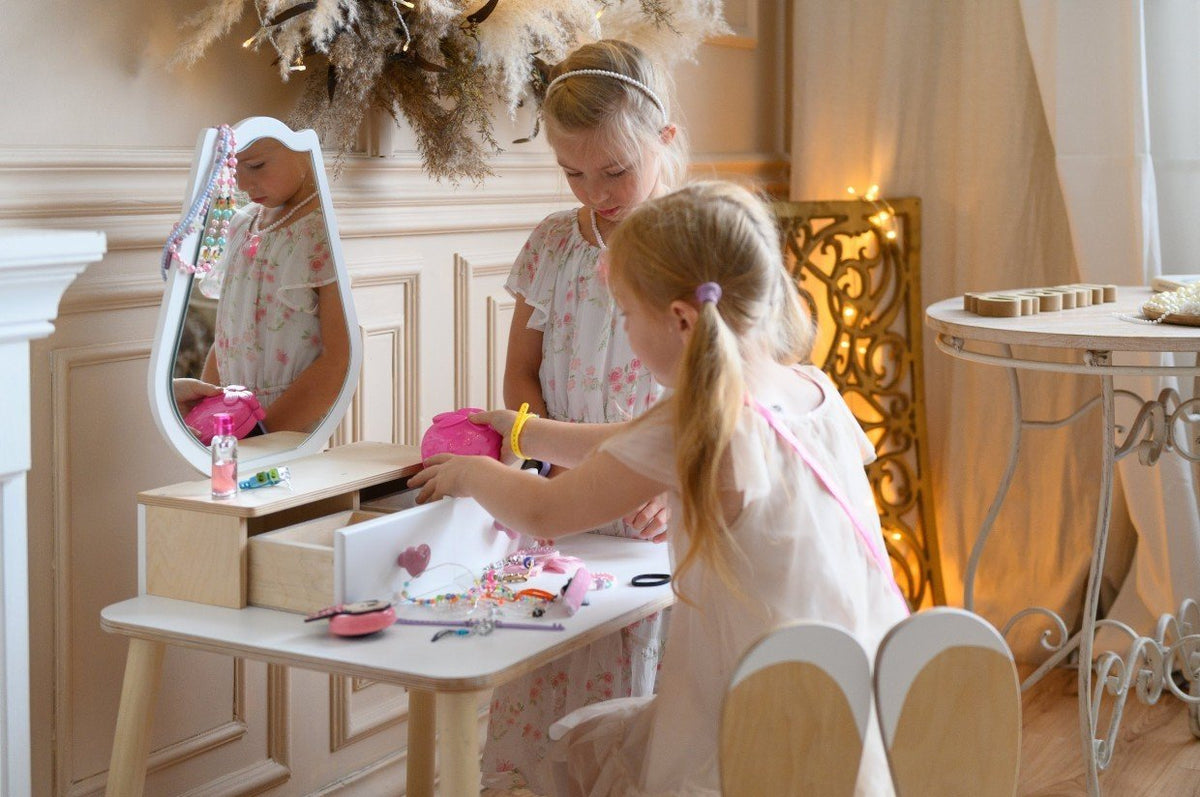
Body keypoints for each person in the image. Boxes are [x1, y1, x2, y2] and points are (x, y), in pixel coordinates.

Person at [409, 180, 911, 796]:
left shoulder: (695, 422)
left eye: (624, 312)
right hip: (848, 697)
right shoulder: (812, 391)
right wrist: (522, 431)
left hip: (746, 714)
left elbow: (547, 511)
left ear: (678, 320)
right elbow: (628, 442)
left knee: (585, 757)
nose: (623, 325)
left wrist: (472, 474)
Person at [479, 39, 689, 791]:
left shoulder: (689, 247)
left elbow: (713, 393)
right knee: (548, 673)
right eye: (573, 173)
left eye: (614, 172)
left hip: (652, 507)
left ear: (663, 142)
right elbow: (521, 371)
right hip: (562, 504)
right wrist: (537, 460)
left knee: (631, 692)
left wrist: (671, 481)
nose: (594, 192)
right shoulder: (552, 246)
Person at [197, 136, 349, 435]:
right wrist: (208, 405)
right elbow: (228, 333)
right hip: (233, 419)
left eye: (256, 165)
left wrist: (263, 431)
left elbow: (338, 359)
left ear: (302, 150)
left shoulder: (320, 232)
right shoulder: (243, 225)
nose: (242, 184)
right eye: (234, 168)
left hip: (289, 419)